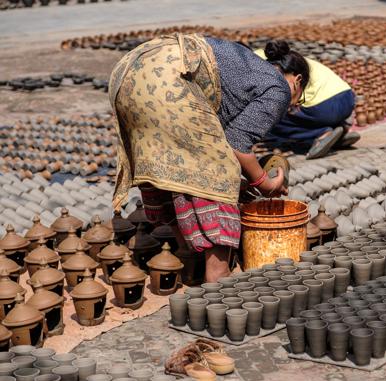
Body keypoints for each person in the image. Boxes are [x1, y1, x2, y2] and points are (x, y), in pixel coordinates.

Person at [108, 35, 309, 283]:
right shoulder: (278, 87)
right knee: (215, 175)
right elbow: (237, 145)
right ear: (297, 81)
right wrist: (265, 184)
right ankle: (217, 279)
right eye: (298, 100)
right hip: (170, 80)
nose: (292, 106)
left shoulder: (248, 70)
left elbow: (222, 140)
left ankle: (188, 257)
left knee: (173, 168)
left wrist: (244, 179)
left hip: (130, 71)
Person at [256, 48, 358, 159]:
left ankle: (320, 134)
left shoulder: (263, 66)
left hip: (323, 109)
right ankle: (340, 130)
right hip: (348, 99)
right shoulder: (291, 59)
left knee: (267, 117)